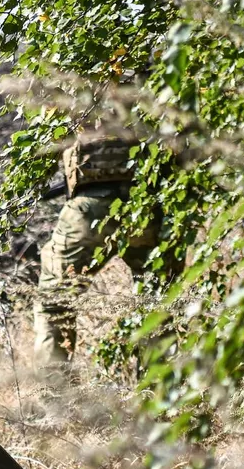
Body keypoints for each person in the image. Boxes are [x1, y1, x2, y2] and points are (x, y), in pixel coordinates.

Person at [32, 130, 158, 360]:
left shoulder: (70, 96)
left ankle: (51, 392)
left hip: (88, 208)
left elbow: (39, 151)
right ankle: (161, 390)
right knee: (158, 299)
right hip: (145, 205)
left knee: (55, 305)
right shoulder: (156, 95)